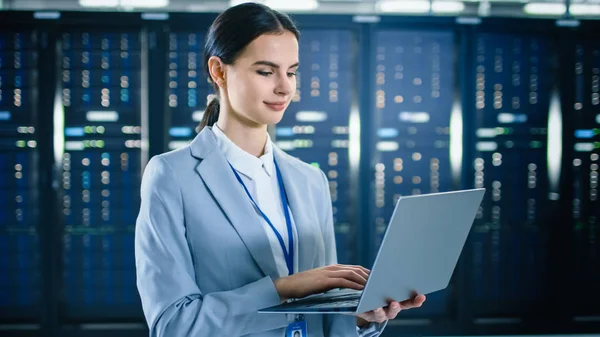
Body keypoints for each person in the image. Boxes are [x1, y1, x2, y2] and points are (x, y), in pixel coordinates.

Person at [134, 3, 426, 337]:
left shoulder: (310, 180)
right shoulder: (172, 176)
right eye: (265, 71)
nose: (285, 88)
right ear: (219, 71)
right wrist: (283, 288)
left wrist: (362, 317)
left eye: (291, 72)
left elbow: (326, 314)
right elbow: (174, 325)